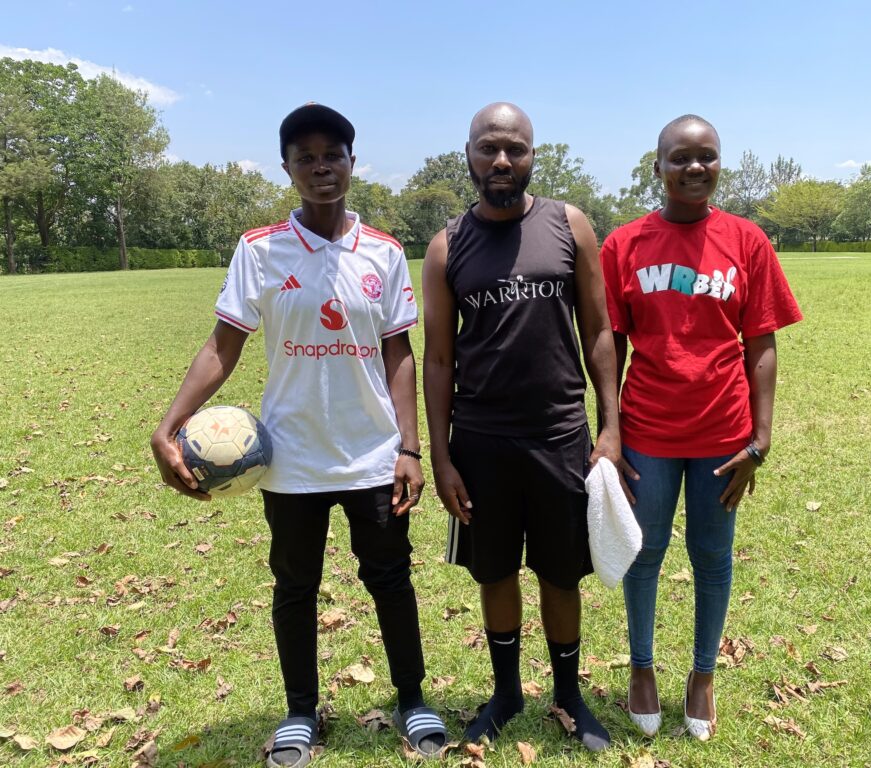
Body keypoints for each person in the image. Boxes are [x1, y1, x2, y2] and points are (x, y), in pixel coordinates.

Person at [150, 103, 448, 767]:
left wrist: (409, 447)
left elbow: (399, 354)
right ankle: (300, 713)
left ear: (350, 162)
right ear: (288, 169)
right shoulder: (260, 250)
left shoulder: (386, 252)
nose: (321, 166)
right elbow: (224, 346)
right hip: (289, 459)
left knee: (392, 579)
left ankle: (412, 698)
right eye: (306, 156)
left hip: (373, 454)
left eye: (332, 153)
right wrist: (168, 424)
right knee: (294, 587)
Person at [422, 102, 624, 752]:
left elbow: (597, 331)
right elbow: (439, 357)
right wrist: (441, 457)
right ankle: (506, 692)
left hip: (560, 435)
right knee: (496, 573)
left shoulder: (569, 225)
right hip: (481, 443)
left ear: (534, 154)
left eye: (515, 148)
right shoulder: (446, 246)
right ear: (469, 156)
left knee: (562, 575)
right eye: (489, 148)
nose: (502, 160)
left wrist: (610, 426)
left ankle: (569, 694)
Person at [600, 114, 803, 740]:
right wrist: (608, 430)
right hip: (648, 432)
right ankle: (641, 668)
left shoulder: (747, 241)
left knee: (712, 556)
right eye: (680, 157)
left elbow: (761, 342)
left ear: (719, 164)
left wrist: (761, 438)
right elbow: (609, 343)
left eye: (706, 157)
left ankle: (703, 675)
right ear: (656, 166)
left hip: (724, 436)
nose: (695, 168)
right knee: (646, 551)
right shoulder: (625, 245)